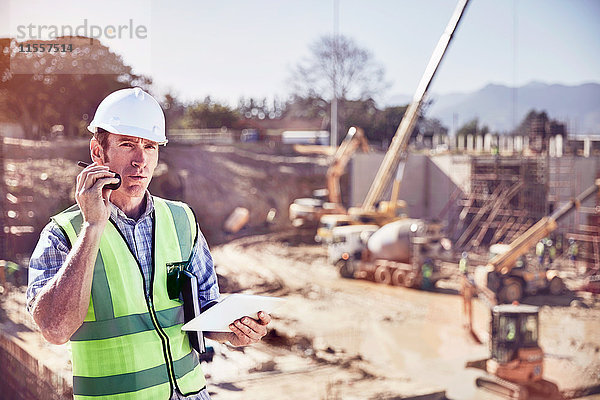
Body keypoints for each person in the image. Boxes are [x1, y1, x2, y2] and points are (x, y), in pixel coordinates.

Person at [26, 88, 271, 400]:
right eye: (127, 144)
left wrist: (234, 330)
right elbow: (55, 330)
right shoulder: (63, 233)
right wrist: (92, 226)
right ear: (98, 153)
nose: (140, 160)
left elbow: (204, 309)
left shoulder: (181, 220)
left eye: (150, 146)